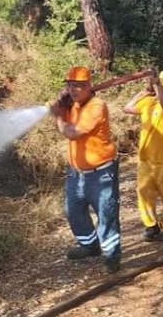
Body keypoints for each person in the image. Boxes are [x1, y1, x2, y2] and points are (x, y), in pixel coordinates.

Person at [47, 65, 122, 274]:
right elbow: (58, 109)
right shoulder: (74, 105)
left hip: (101, 173)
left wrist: (58, 116)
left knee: (106, 214)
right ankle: (90, 246)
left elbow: (72, 132)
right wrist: (59, 103)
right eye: (70, 85)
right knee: (73, 211)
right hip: (76, 173)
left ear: (89, 86)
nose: (73, 89)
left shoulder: (96, 106)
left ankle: (112, 256)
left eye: (78, 86)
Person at [123, 69, 163, 241]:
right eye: (158, 85)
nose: (159, 89)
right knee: (144, 193)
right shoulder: (147, 102)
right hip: (146, 160)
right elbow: (127, 108)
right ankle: (151, 225)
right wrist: (142, 93)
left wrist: (156, 85)